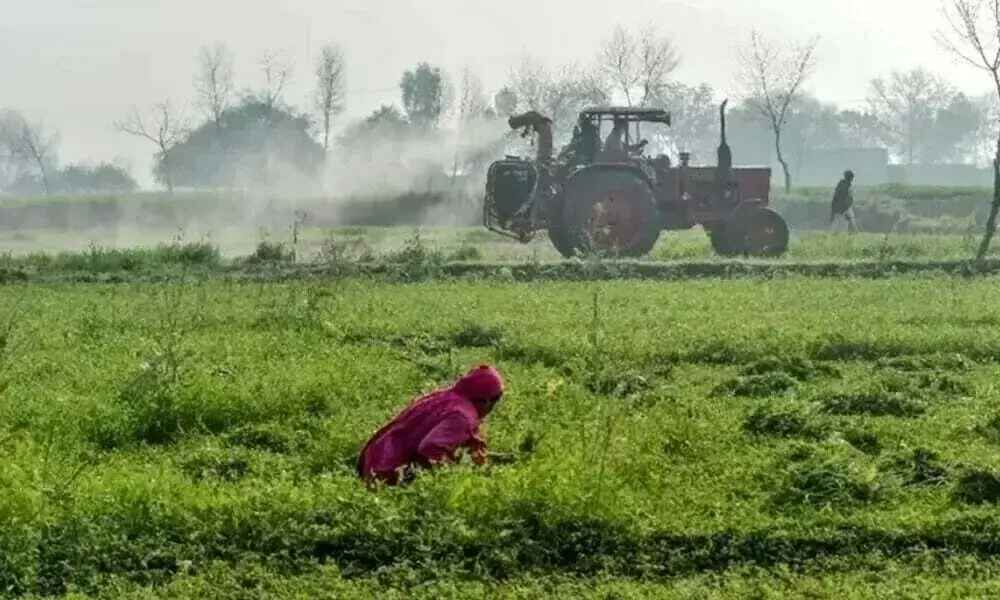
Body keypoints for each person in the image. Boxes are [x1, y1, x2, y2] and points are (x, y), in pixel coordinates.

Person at [356, 364, 507, 487]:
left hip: (374, 459)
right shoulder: (463, 416)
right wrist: (453, 478)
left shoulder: (446, 397)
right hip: (386, 474)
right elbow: (432, 448)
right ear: (487, 401)